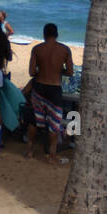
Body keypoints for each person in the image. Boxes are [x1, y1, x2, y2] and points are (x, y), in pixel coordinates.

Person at [25, 24, 73, 164]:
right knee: (54, 123)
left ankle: (29, 150)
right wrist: (58, 71)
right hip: (54, 88)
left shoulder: (37, 49)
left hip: (39, 87)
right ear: (57, 34)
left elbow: (32, 72)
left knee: (34, 120)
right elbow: (70, 72)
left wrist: (43, 70)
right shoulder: (65, 50)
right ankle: (52, 155)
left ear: (44, 34)